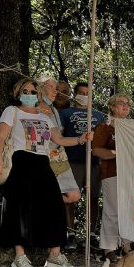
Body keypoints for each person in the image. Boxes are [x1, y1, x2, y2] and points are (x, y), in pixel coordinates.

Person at [0, 78, 93, 267]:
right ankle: (20, 256)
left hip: (43, 163)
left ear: (38, 95)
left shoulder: (45, 117)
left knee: (54, 205)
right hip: (21, 161)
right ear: (18, 93)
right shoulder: (11, 111)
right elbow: (0, 137)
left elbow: (60, 139)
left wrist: (81, 139)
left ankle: (54, 254)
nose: (29, 94)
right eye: (25, 91)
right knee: (18, 206)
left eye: (33, 91)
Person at [59, 81, 106, 249]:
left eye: (87, 93)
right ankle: (70, 233)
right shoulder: (65, 113)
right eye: (81, 93)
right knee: (70, 198)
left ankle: (92, 234)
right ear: (75, 94)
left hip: (93, 161)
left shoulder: (99, 115)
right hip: (72, 160)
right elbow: (59, 135)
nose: (84, 96)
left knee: (93, 198)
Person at [92, 93, 132, 263]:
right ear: (112, 106)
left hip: (130, 175)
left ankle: (127, 246)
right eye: (121, 103)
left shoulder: (132, 127)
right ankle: (108, 248)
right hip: (111, 173)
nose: (125, 106)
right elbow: (97, 150)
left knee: (128, 211)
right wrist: (117, 153)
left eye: (128, 104)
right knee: (112, 211)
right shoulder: (105, 127)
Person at [36, 76, 81, 205]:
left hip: (58, 156)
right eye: (51, 87)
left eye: (56, 88)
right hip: (42, 156)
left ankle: (40, 199)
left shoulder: (54, 110)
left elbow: (59, 137)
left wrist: (80, 139)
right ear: (40, 88)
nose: (55, 91)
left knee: (73, 195)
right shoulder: (33, 108)